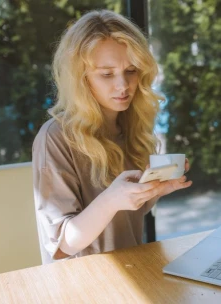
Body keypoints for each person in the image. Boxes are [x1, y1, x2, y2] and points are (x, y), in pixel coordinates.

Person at [32, 10, 192, 264]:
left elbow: (125, 217)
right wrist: (111, 199)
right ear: (81, 80)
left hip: (133, 270)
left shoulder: (132, 126)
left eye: (131, 70)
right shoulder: (56, 138)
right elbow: (62, 245)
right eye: (107, 74)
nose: (123, 85)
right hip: (83, 285)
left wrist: (155, 190)